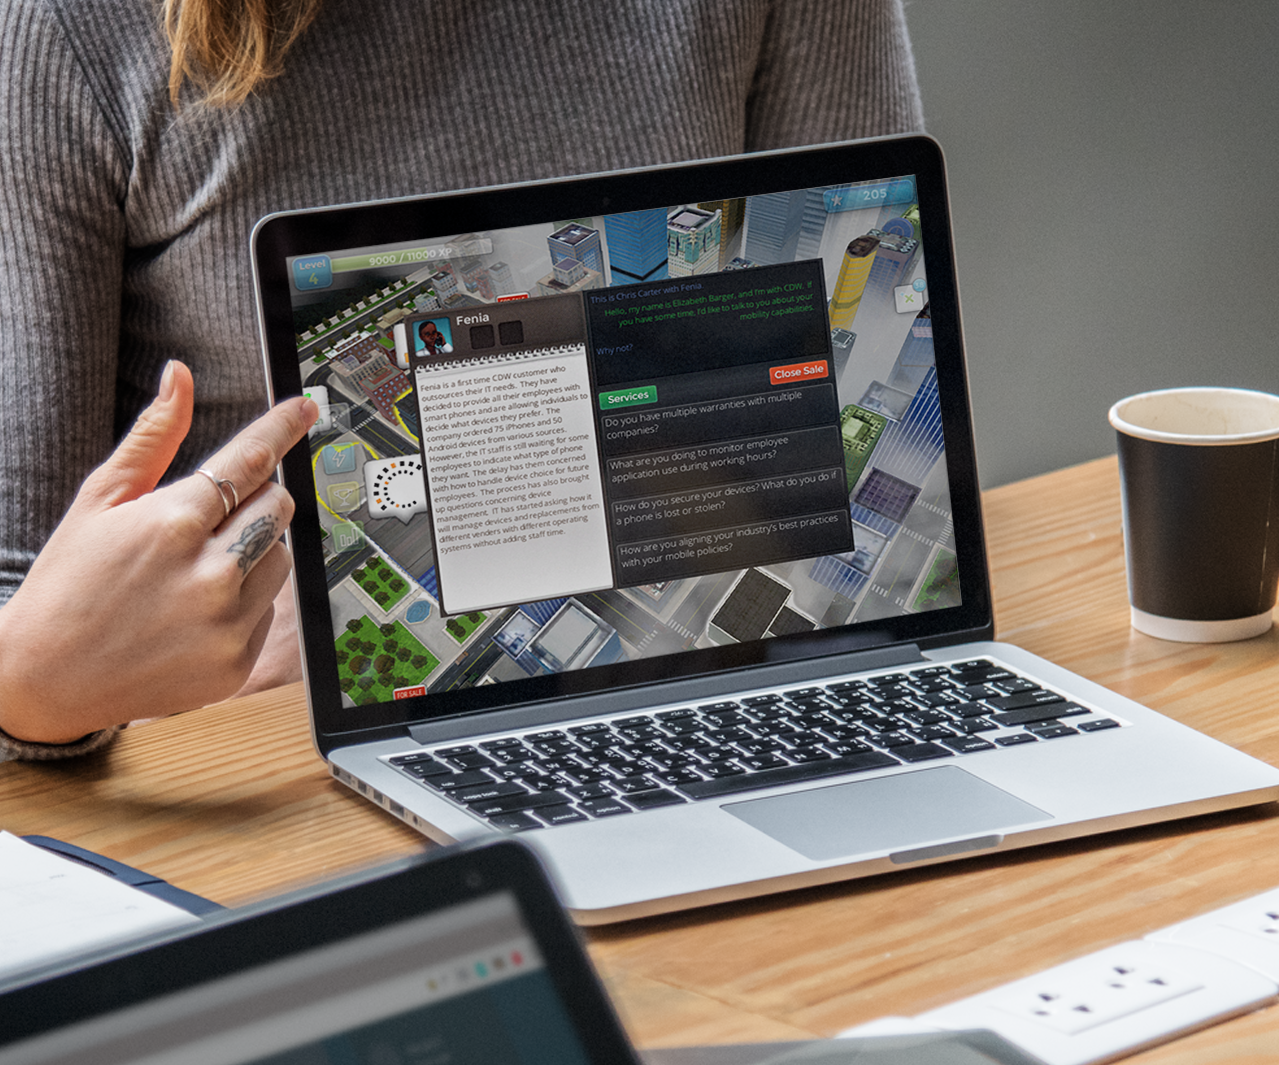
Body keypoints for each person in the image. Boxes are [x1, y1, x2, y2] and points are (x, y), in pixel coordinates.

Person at [0, 0, 924, 756]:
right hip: (277, 768)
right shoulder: (64, 32)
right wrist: (36, 690)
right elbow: (23, 594)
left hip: (707, 692)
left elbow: (861, 343)